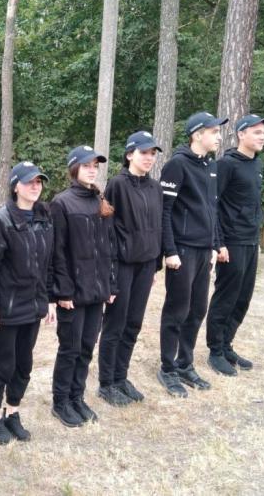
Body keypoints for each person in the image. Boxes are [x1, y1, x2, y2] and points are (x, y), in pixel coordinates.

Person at [0, 162, 56, 445]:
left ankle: (12, 412)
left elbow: (48, 264)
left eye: (39, 181)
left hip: (33, 307)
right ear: (15, 187)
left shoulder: (45, 218)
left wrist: (49, 300)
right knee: (4, 363)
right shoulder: (2, 221)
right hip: (7, 309)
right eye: (29, 182)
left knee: (24, 363)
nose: (35, 186)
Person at [157, 111, 227, 398]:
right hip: (182, 251)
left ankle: (184, 364)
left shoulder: (211, 166)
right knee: (177, 310)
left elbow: (212, 209)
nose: (219, 137)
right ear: (198, 134)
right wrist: (170, 251)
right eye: (214, 132)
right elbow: (164, 212)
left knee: (198, 309)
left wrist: (215, 245)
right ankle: (167, 368)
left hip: (203, 251)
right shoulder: (177, 164)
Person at [50, 146, 117, 427]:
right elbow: (57, 252)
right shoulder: (61, 203)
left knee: (87, 346)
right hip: (73, 293)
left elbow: (108, 248)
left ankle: (77, 397)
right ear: (74, 168)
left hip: (97, 291)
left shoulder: (99, 200)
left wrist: (110, 284)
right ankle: (61, 402)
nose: (92, 170)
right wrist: (63, 291)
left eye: (95, 166)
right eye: (87, 165)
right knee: (70, 348)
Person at [98, 131, 163, 406]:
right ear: (129, 155)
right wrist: (110, 271)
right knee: (116, 323)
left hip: (146, 265)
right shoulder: (117, 185)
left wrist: (155, 264)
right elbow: (107, 228)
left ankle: (120, 377)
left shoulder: (155, 188)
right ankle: (106, 383)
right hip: (122, 264)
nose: (149, 158)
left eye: (152, 153)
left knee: (133, 323)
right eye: (143, 153)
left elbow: (158, 226)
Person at [206, 114, 264, 376]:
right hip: (231, 242)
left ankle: (226, 345)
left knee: (243, 298)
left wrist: (256, 239)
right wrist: (219, 243)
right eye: (257, 132)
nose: (262, 137)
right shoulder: (226, 165)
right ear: (241, 134)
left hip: (250, 241)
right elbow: (213, 205)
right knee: (226, 296)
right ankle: (215, 351)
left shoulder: (257, 164)